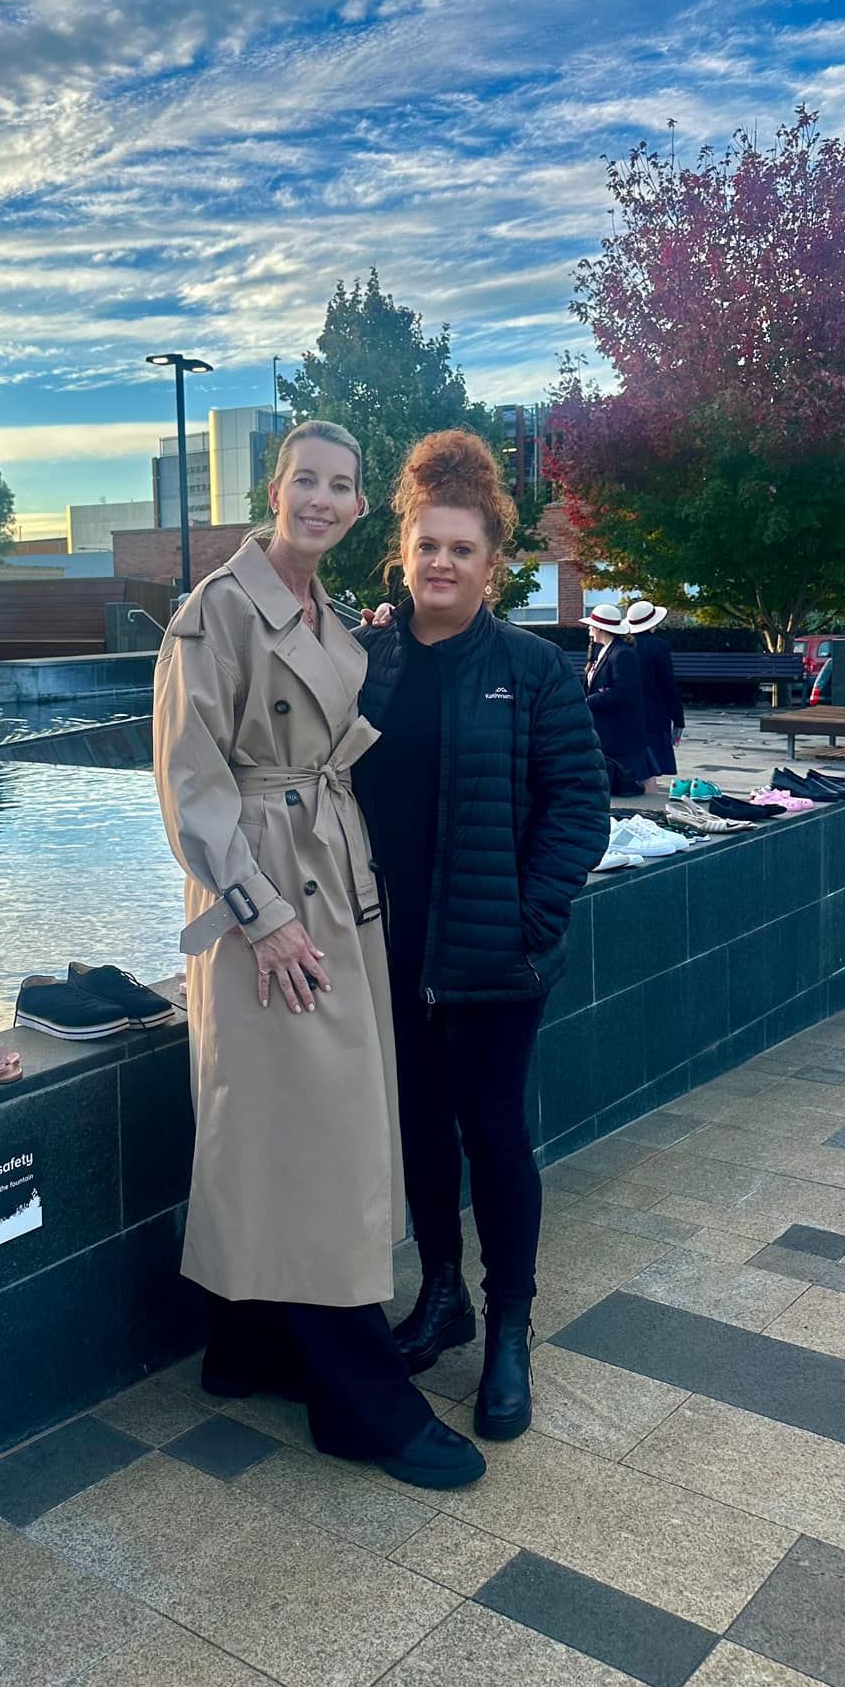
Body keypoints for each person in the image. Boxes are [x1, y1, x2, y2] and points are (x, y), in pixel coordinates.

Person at [152, 420, 483, 1491]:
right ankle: (359, 1398)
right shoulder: (216, 612)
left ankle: (248, 1348)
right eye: (309, 480)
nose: (326, 500)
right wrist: (263, 914)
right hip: (269, 899)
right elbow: (190, 788)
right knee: (313, 1132)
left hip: (334, 881)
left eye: (345, 485)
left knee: (297, 1122)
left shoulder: (325, 612)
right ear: (276, 485)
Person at [355, 432, 609, 1441]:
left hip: (495, 956)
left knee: (493, 1136)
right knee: (417, 1128)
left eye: (462, 549)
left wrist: (528, 919)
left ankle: (510, 1325)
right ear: (402, 552)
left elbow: (579, 807)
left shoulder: (533, 669)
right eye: (427, 546)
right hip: (392, 948)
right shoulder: (368, 659)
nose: (442, 564)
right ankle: (442, 1293)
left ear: (494, 563)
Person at [584, 605, 649, 794]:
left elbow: (624, 692)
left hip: (620, 731)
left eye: (591, 626)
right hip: (604, 728)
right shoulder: (602, 651)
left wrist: (590, 700)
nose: (589, 629)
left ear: (599, 628)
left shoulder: (622, 653)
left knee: (625, 781)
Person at [625, 599, 684, 783]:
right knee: (651, 768)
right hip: (654, 713)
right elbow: (667, 684)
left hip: (628, 713)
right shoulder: (658, 646)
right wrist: (678, 718)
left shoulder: (623, 645)